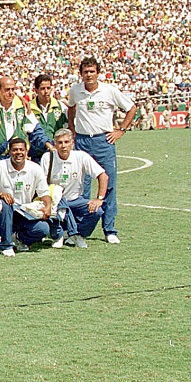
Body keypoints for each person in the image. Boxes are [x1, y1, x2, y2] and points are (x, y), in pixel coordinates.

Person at [66, 57, 136, 244]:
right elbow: (71, 108)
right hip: (82, 141)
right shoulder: (75, 90)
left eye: (92, 71)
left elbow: (131, 108)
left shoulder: (109, 90)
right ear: (80, 74)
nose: (89, 75)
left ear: (98, 72)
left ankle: (109, 229)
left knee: (109, 184)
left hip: (103, 140)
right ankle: (79, 230)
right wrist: (72, 129)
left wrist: (121, 130)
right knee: (82, 186)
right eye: (85, 72)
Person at [39, 129, 109, 247]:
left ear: (72, 143)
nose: (63, 146)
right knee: (59, 212)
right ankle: (61, 235)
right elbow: (41, 184)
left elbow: (103, 176)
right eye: (60, 142)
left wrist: (99, 199)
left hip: (76, 200)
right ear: (55, 144)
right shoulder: (48, 157)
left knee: (97, 211)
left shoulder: (81, 156)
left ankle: (79, 234)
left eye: (67, 142)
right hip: (56, 201)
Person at [0, 137, 58, 257]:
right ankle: (6, 245)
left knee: (43, 229)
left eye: (21, 150)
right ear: (9, 151)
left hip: (24, 212)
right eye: (15, 150)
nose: (18, 153)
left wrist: (48, 206)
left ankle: (20, 239)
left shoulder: (35, 168)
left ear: (26, 152)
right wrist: (0, 194)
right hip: (3, 212)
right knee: (5, 204)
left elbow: (44, 193)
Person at [0, 76, 50, 167]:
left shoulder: (22, 107)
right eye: (7, 90)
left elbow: (35, 130)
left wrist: (48, 145)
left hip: (18, 158)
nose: (11, 93)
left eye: (13, 89)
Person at [29, 73, 67, 161]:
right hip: (37, 155)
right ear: (36, 90)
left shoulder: (60, 106)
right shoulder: (30, 108)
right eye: (42, 88)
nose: (46, 91)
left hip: (57, 152)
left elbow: (71, 124)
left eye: (48, 88)